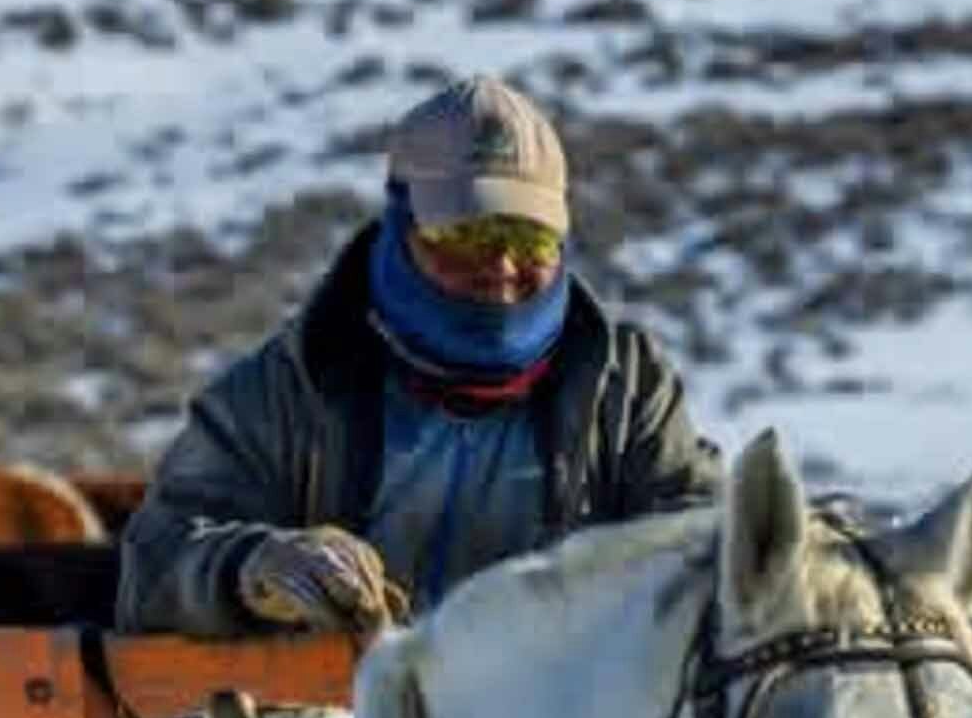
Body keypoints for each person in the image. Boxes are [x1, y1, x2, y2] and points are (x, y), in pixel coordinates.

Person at [116, 74, 723, 638]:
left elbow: (704, 531)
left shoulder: (626, 389)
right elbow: (156, 565)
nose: (503, 267)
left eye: (528, 238)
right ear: (400, 227)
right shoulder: (290, 385)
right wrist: (255, 567)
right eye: (467, 236)